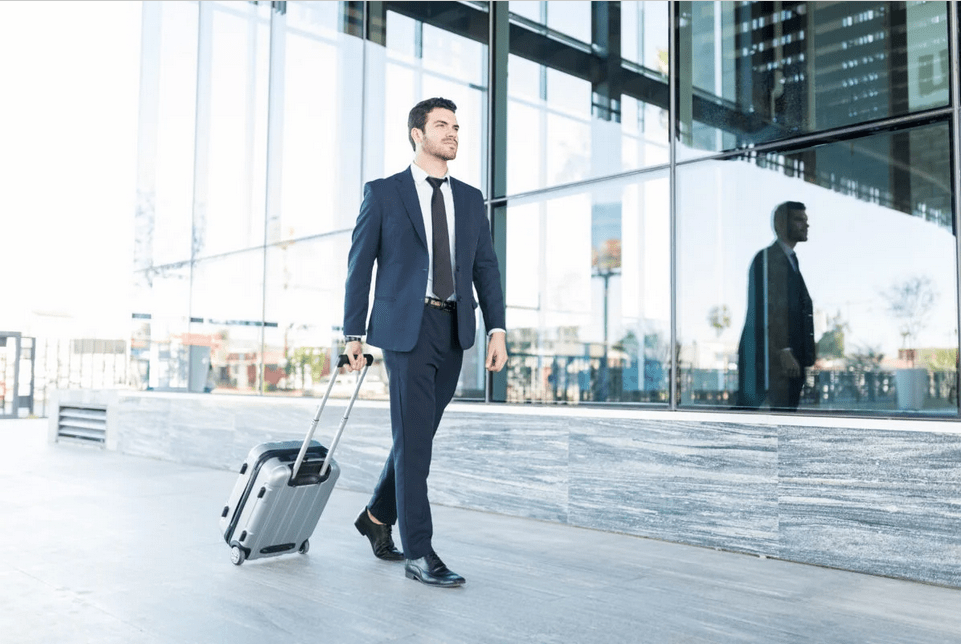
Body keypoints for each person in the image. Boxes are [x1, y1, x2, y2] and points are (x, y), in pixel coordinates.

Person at [342, 97, 508, 587]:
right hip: (403, 331)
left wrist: (497, 327)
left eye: (456, 126)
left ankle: (375, 516)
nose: (453, 133)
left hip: (454, 328)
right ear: (418, 133)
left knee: (416, 437)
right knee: (415, 443)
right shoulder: (384, 193)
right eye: (442, 125)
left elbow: (485, 268)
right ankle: (420, 551)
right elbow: (359, 266)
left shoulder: (471, 197)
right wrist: (353, 333)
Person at [736, 201, 815, 411]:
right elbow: (765, 308)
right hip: (771, 363)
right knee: (750, 421)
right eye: (799, 220)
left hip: (787, 363)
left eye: (806, 221)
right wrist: (783, 350)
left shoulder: (790, 260)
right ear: (781, 224)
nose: (806, 226)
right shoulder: (767, 259)